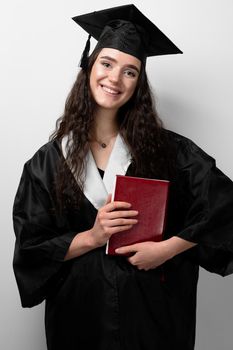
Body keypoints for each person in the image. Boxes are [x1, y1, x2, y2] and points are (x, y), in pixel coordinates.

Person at [13, 4, 233, 350]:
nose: (115, 79)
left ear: (139, 84)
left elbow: (225, 208)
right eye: (107, 63)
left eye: (130, 72)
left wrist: (166, 249)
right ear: (89, 66)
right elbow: (31, 250)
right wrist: (93, 235)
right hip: (80, 319)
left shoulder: (170, 151)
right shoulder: (47, 162)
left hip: (154, 317)